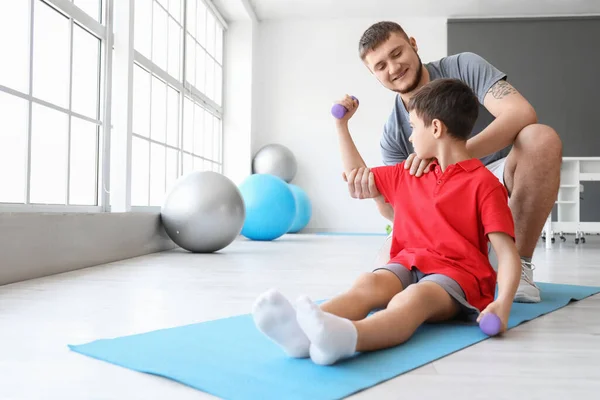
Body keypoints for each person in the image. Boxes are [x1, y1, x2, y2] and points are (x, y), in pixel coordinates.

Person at [252, 78, 521, 366]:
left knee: (412, 300)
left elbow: (506, 254)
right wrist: (341, 126)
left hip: (458, 277)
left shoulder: (484, 185)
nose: (409, 137)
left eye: (414, 127)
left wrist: (502, 304)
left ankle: (349, 337)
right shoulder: (409, 174)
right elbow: (359, 176)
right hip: (407, 263)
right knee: (368, 283)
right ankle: (300, 332)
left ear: (436, 129)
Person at [346, 21, 562, 303]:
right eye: (381, 65)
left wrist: (457, 154)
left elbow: (520, 112)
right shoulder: (394, 133)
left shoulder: (463, 67)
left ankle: (519, 266)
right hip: (447, 208)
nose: (393, 68)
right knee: (384, 271)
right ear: (373, 74)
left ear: (413, 43)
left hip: (497, 176)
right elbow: (397, 211)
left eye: (397, 53)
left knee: (541, 138)